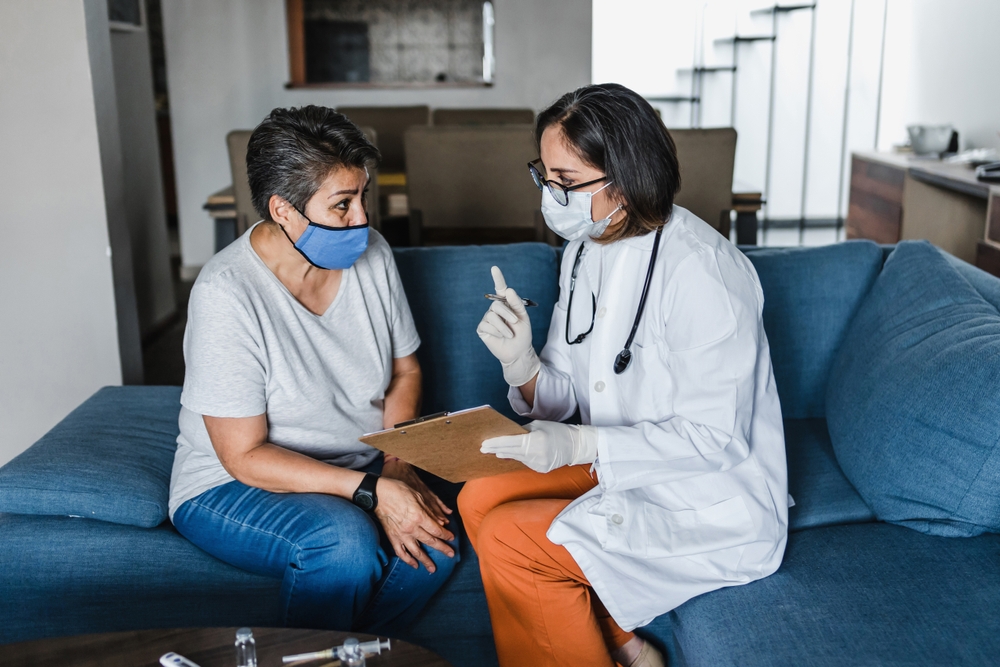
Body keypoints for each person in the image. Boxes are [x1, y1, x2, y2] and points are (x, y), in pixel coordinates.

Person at [460, 83, 789, 667]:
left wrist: (579, 443)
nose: (551, 196)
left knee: (513, 541)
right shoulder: (587, 247)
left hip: (704, 495)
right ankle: (624, 646)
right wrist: (523, 364)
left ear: (627, 178)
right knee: (480, 496)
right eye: (545, 175)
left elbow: (714, 439)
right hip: (622, 464)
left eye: (567, 181)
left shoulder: (704, 274)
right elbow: (563, 396)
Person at [168, 106, 457, 634]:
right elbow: (245, 457)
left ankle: (351, 653)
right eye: (342, 205)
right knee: (345, 546)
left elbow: (406, 372)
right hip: (231, 484)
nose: (362, 219)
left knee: (436, 542)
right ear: (283, 209)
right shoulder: (226, 294)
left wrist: (395, 465)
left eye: (362, 197)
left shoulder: (373, 253)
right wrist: (371, 492)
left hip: (361, 465)